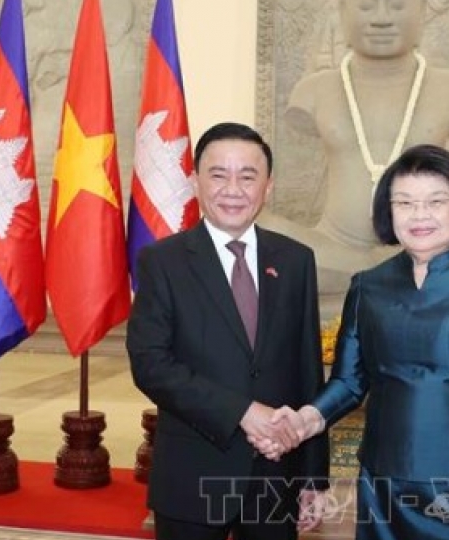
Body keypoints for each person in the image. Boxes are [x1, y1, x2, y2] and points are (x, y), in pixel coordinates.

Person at [261, 144, 449, 540]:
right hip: (385, 487)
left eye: (435, 201)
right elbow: (348, 382)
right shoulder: (368, 286)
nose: (420, 214)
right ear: (388, 212)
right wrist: (306, 419)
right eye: (405, 202)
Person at [260, 0, 449, 298]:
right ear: (342, 12)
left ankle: (375, 279)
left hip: (431, 249)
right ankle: (395, 277)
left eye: (398, 6)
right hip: (334, 247)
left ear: (423, 11)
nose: (381, 19)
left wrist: (429, 252)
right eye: (366, 7)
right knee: (257, 235)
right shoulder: (312, 91)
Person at [126, 122, 329, 540]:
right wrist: (241, 412)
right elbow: (151, 365)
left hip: (276, 475)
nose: (232, 189)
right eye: (218, 174)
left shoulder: (295, 261)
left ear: (268, 186)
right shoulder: (162, 262)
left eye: (248, 176)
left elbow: (308, 372)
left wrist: (313, 477)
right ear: (196, 181)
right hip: (193, 474)